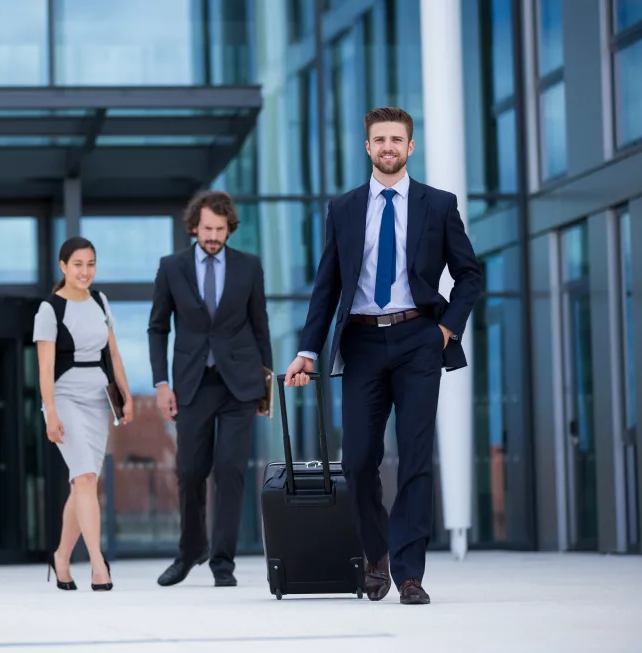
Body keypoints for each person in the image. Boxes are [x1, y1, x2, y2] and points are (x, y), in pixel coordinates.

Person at [284, 107, 482, 605]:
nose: (389, 146)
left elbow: (469, 275)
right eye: (380, 139)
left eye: (397, 138)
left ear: (410, 147)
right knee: (357, 461)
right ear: (367, 147)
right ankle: (376, 556)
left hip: (419, 340)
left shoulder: (438, 205)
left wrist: (445, 330)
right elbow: (327, 285)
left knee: (415, 458)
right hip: (364, 343)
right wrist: (308, 350)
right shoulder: (344, 208)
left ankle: (410, 574)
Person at [148, 190, 272, 588]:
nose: (214, 236)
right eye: (207, 229)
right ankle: (190, 552)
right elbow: (157, 328)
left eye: (220, 229)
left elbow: (260, 326)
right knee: (189, 471)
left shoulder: (249, 267)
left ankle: (223, 563)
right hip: (192, 384)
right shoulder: (172, 268)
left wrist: (265, 387)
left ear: (229, 229)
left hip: (239, 386)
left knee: (231, 471)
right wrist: (161, 384)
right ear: (194, 227)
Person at [34, 236, 135, 592]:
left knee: (82, 483)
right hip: (65, 398)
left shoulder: (100, 300)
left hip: (97, 399)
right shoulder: (49, 310)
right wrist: (51, 414)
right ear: (63, 266)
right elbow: (44, 369)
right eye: (77, 264)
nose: (85, 271)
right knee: (86, 480)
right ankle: (97, 564)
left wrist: (125, 394)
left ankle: (62, 556)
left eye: (90, 264)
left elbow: (114, 353)